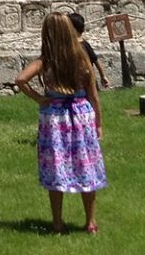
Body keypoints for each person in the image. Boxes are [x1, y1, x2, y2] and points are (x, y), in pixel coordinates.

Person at [15, 12, 106, 234]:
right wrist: (98, 123)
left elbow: (20, 79)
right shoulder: (81, 58)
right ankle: (90, 221)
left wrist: (39, 98)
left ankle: (57, 222)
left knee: (56, 166)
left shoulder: (46, 61)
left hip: (55, 116)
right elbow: (93, 95)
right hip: (81, 113)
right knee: (86, 165)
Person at [68, 12, 109, 88]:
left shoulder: (84, 44)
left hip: (87, 80)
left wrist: (103, 76)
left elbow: (95, 60)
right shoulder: (67, 45)